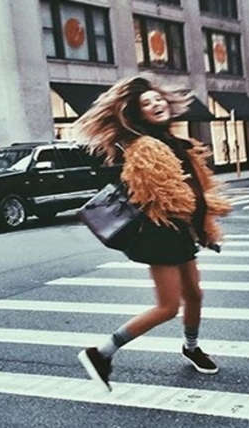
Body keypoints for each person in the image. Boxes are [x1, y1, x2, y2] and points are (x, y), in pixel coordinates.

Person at [74, 75, 231, 391]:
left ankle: (191, 347)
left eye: (157, 98)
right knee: (168, 307)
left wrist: (203, 228)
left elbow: (194, 190)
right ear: (138, 113)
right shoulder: (145, 147)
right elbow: (170, 197)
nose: (156, 104)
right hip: (160, 234)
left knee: (195, 294)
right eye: (147, 103)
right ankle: (101, 353)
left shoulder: (173, 142)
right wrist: (204, 217)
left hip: (178, 232)